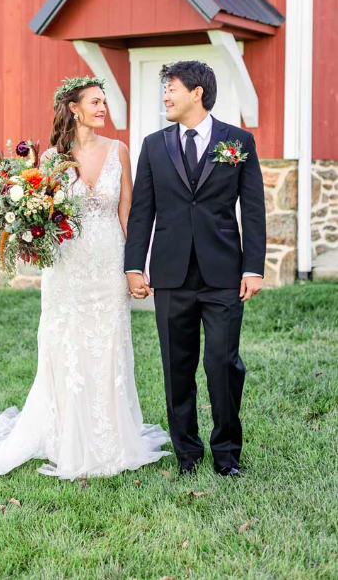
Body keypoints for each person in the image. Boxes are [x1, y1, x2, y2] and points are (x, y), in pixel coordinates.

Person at [0, 76, 170, 482]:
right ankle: (67, 438)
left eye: (103, 102)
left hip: (108, 262)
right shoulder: (52, 158)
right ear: (74, 109)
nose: (102, 108)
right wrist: (28, 233)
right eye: (95, 102)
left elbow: (127, 212)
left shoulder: (120, 151)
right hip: (67, 268)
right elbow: (41, 217)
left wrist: (136, 266)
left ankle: (111, 436)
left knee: (109, 344)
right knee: (68, 346)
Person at [125, 61, 266, 477]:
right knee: (176, 366)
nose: (165, 97)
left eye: (171, 89)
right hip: (170, 275)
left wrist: (253, 267)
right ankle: (187, 452)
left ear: (197, 92)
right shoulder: (153, 145)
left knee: (223, 364)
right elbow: (142, 212)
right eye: (164, 90)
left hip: (223, 273)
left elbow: (253, 210)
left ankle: (227, 454)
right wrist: (135, 264)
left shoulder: (237, 141)